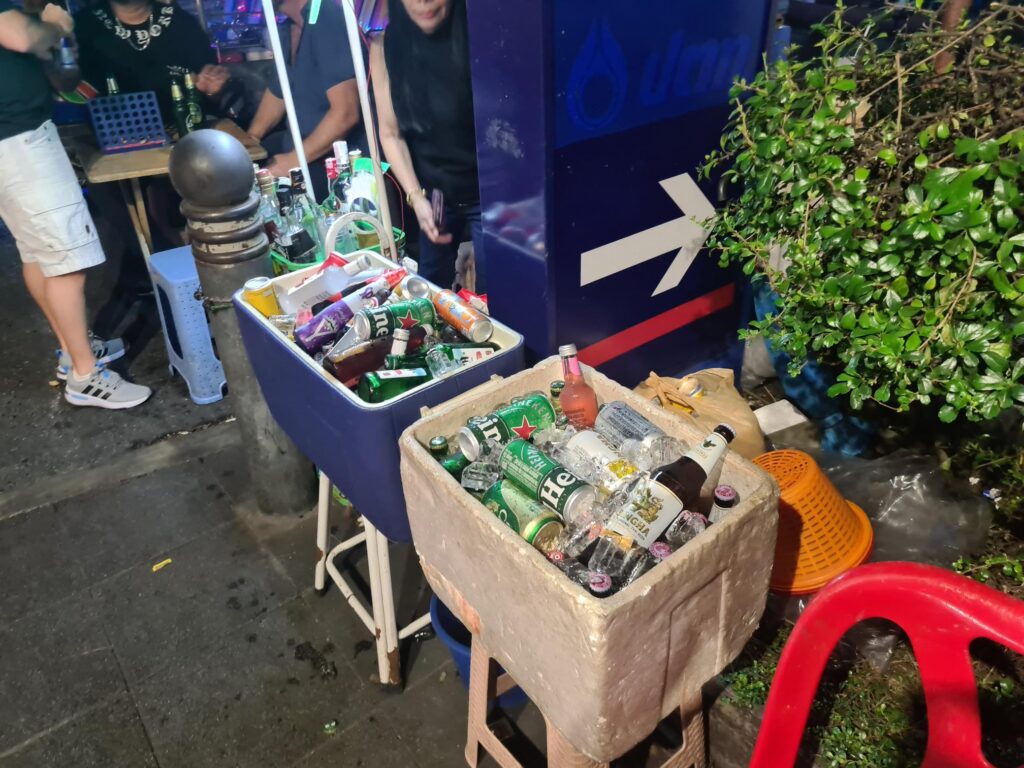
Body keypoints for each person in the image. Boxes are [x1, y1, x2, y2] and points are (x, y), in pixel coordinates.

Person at [0, 0, 151, 408]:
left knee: (39, 254)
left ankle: (73, 353)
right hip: (21, 145)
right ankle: (86, 376)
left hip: (12, 146)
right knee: (70, 262)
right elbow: (21, 35)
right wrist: (53, 26)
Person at [371, 0, 482, 292]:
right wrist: (416, 198)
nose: (423, 1)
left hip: (490, 194)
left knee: (496, 300)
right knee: (428, 291)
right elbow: (391, 134)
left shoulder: (481, 34)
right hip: (436, 193)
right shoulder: (385, 48)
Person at [247, 0, 365, 200]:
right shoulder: (288, 29)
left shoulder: (327, 17)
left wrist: (293, 160)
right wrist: (251, 139)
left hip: (335, 165)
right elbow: (279, 92)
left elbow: (346, 113)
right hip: (301, 152)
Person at [75, 0, 231, 126]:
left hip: (184, 131)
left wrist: (214, 90)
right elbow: (70, 89)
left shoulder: (182, 23)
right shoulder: (82, 25)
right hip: (112, 137)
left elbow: (212, 94)